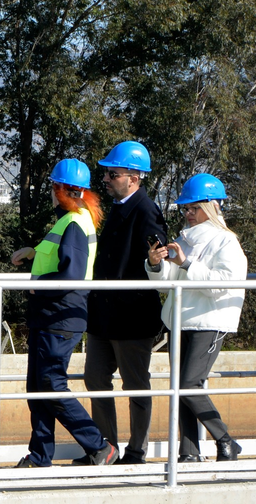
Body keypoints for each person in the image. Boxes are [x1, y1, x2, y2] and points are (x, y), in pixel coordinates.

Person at [11, 159, 118, 468]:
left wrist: (37, 288)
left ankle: (99, 446)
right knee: (39, 387)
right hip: (51, 317)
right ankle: (39, 456)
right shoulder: (73, 220)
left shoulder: (73, 222)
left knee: (50, 385)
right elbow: (61, 257)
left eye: (52, 188)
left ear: (59, 190)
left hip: (60, 318)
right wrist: (33, 252)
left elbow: (71, 275)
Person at [146, 173, 246, 463]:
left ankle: (225, 440)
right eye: (185, 208)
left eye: (194, 208)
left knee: (189, 385)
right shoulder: (184, 239)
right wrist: (155, 264)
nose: (188, 213)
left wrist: (186, 262)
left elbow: (223, 284)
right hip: (180, 320)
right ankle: (188, 452)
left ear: (213, 207)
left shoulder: (226, 241)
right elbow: (167, 282)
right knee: (180, 388)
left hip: (209, 322)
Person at [81, 141, 167, 465]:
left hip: (132, 318)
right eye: (106, 173)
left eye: (112, 174)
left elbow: (157, 256)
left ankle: (136, 451)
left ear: (133, 178)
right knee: (95, 378)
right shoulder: (117, 208)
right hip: (103, 317)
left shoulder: (146, 210)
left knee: (136, 386)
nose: (105, 179)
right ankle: (106, 448)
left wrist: (155, 260)